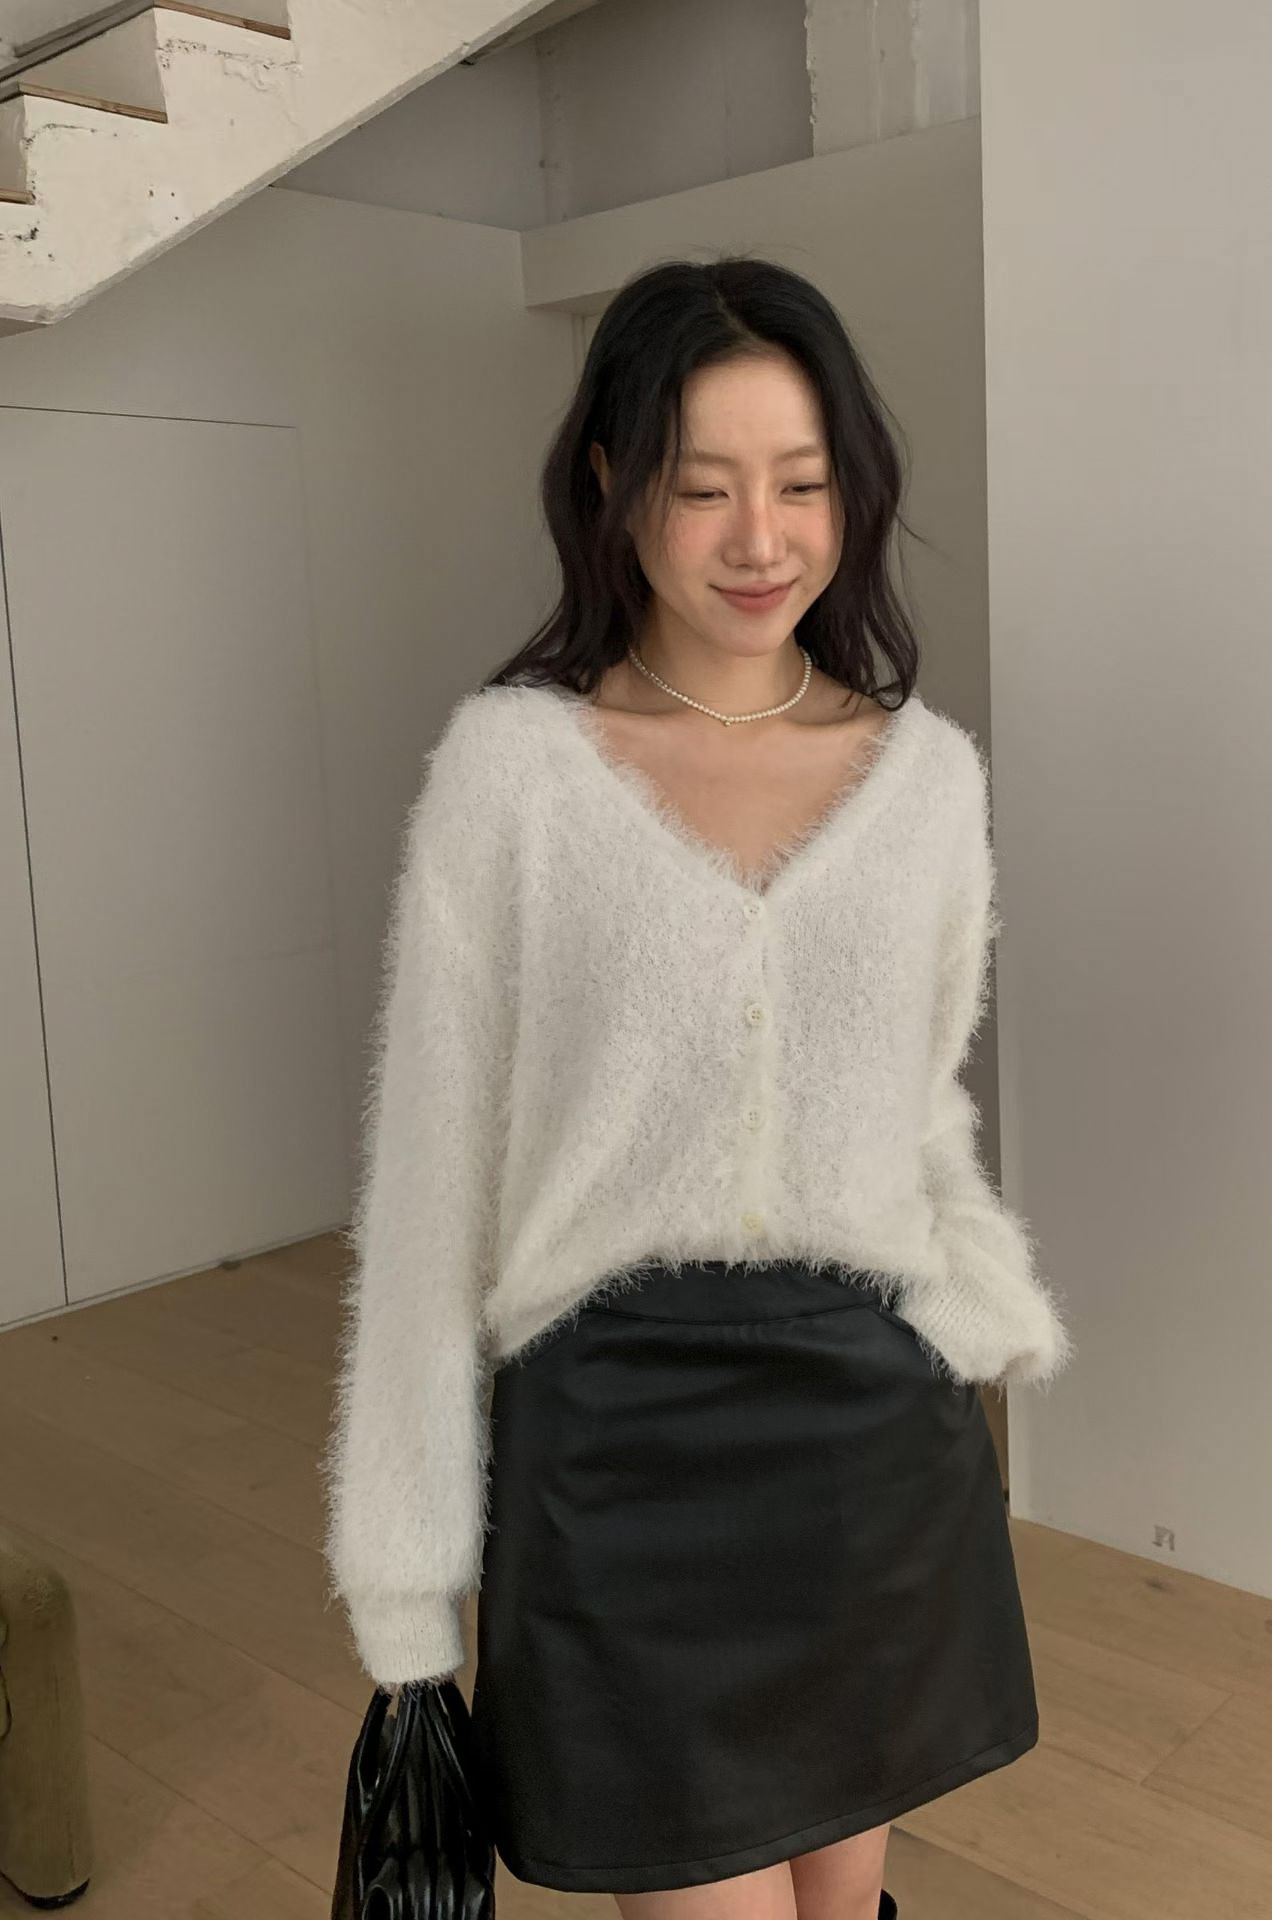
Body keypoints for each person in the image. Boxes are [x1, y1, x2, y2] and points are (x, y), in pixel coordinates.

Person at [321, 254, 1074, 1920]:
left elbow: (919, 1102)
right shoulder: (511, 774)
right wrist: (406, 1583)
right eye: (701, 484)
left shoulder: (929, 779)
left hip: (874, 1439)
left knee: (846, 1904)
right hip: (620, 1449)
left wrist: (975, 1305)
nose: (760, 538)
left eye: (801, 483)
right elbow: (430, 1182)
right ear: (612, 483)